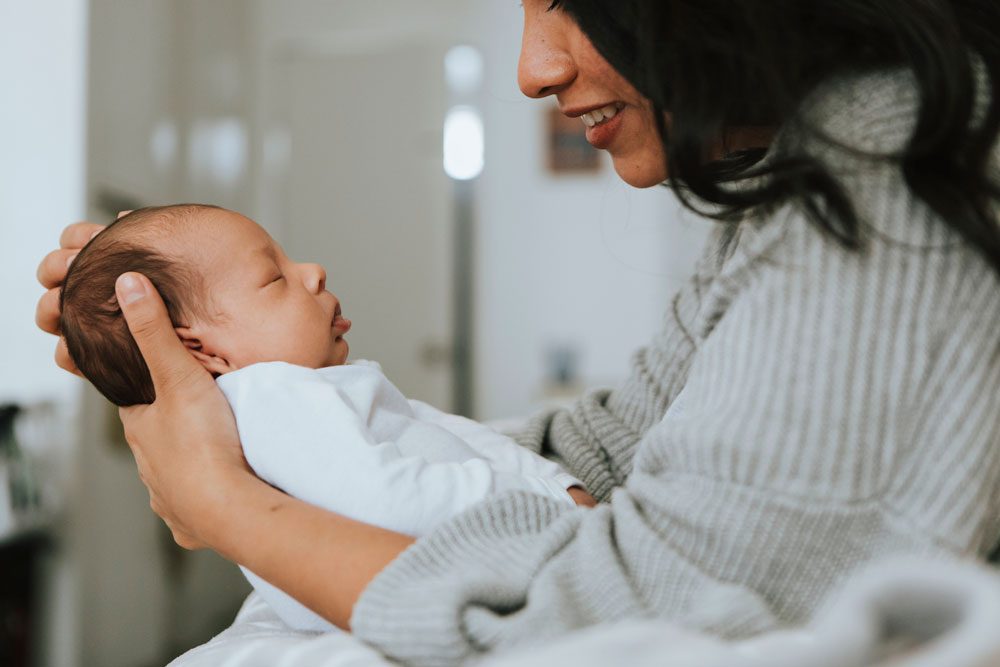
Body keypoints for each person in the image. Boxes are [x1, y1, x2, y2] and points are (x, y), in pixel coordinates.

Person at [35, 0, 1000, 665]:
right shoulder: (807, 168)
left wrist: (224, 498)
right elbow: (612, 451)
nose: (533, 67)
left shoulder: (896, 159)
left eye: (568, 1)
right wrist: (219, 423)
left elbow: (646, 612)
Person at [59, 203, 592, 631]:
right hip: (418, 581)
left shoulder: (303, 391)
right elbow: (387, 503)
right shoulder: (272, 397)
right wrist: (548, 504)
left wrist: (550, 480)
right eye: (274, 278)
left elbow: (439, 432)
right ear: (204, 351)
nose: (313, 272)